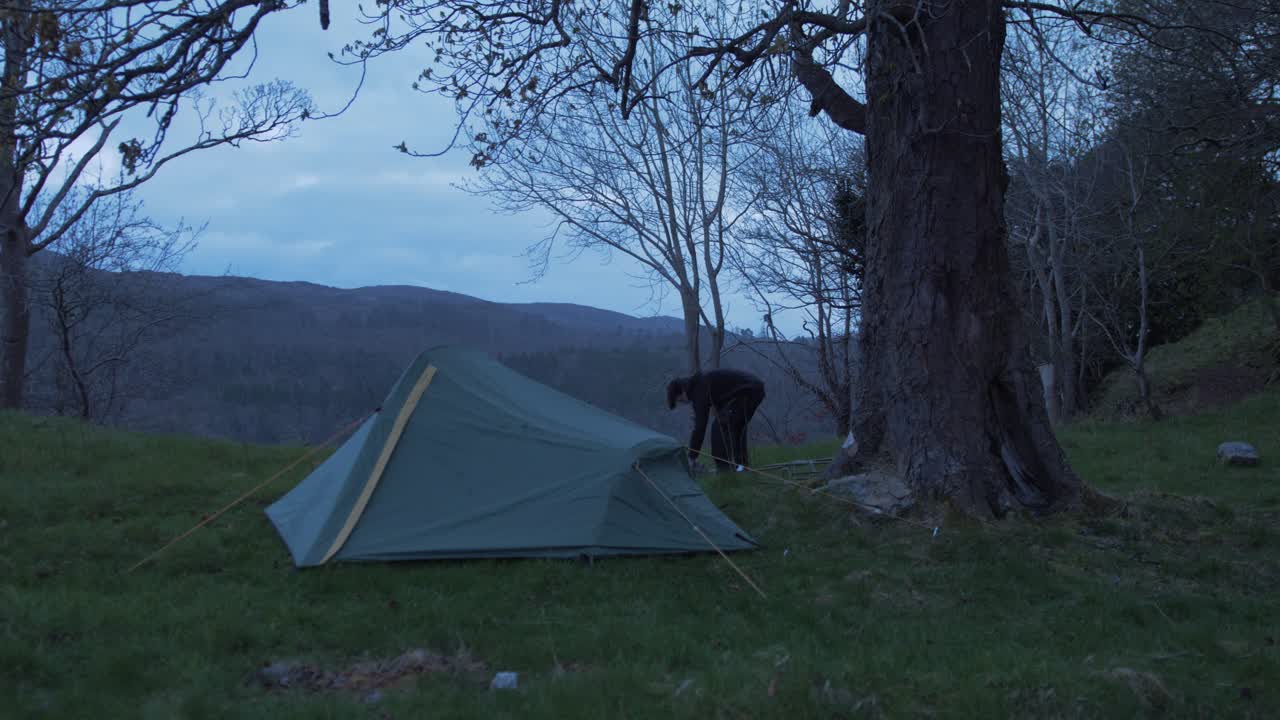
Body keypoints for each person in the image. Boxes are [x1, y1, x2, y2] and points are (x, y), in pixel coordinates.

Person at [666, 368, 765, 472]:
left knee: (720, 428)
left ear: (682, 391)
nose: (684, 402)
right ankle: (741, 468)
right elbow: (722, 400)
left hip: (747, 391)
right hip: (753, 389)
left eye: (681, 400)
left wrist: (692, 456)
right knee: (736, 428)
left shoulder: (699, 389)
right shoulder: (701, 383)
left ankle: (724, 469)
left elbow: (700, 427)